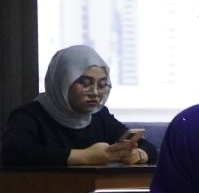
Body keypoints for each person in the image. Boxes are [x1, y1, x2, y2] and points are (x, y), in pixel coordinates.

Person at [2, 44, 154, 167]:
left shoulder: (99, 116)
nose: (95, 92)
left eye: (102, 85)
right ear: (62, 81)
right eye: (85, 83)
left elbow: (148, 148)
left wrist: (136, 155)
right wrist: (84, 156)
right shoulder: (29, 116)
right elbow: (12, 152)